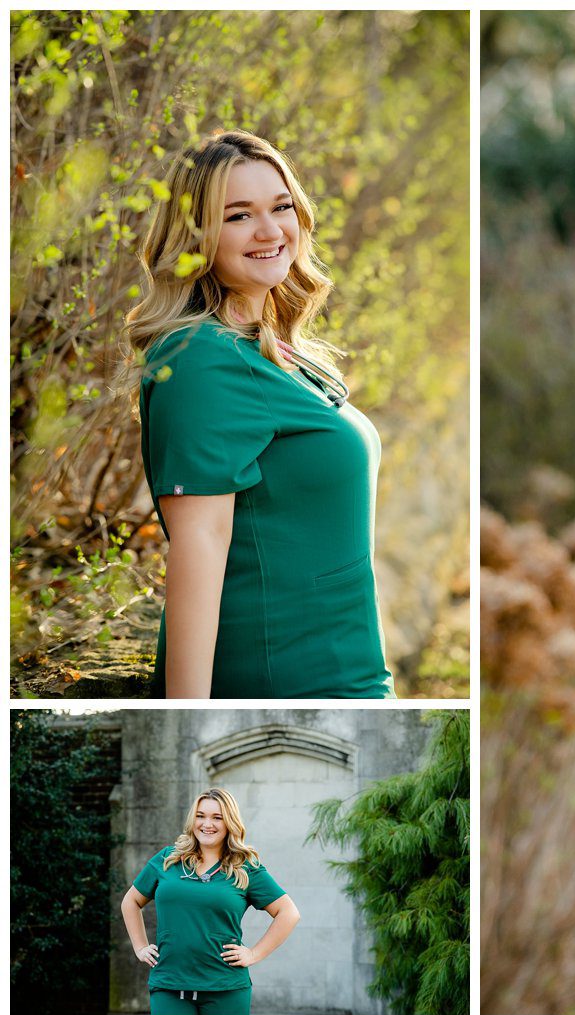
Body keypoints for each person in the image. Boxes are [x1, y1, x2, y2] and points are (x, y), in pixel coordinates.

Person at [124, 130, 391, 698]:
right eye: (239, 215)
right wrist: (187, 719)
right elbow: (199, 543)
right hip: (289, 679)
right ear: (195, 238)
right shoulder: (201, 360)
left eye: (281, 207)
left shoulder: (265, 346)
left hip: (344, 664)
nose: (270, 231)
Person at [120, 787, 301, 1015]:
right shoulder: (167, 859)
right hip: (169, 987)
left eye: (217, 817)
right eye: (200, 816)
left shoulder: (245, 868)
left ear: (229, 823)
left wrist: (254, 954)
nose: (207, 824)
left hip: (225, 990)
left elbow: (289, 912)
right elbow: (131, 901)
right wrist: (140, 947)